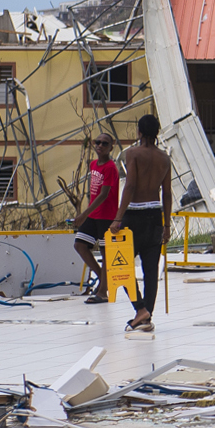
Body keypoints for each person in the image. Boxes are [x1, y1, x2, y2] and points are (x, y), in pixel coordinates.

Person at [117, 113, 172, 334]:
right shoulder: (164, 158)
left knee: (120, 266)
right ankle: (147, 316)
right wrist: (167, 225)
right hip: (155, 216)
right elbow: (166, 193)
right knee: (151, 270)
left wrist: (118, 217)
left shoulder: (133, 154)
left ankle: (140, 309)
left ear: (139, 132)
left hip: (134, 217)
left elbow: (129, 187)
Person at [72, 134, 119, 301]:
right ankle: (103, 279)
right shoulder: (93, 164)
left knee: (106, 253)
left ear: (111, 147)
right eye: (97, 142)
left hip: (106, 216)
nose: (100, 146)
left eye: (104, 143)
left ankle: (102, 292)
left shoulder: (111, 168)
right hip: (94, 214)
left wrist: (83, 213)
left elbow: (103, 195)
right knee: (79, 245)